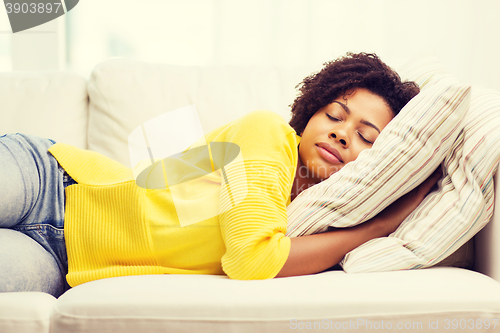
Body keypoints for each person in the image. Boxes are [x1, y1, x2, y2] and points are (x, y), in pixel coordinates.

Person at [0, 52, 438, 298]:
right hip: (52, 183)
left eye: (365, 136)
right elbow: (251, 259)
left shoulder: (312, 215)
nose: (342, 134)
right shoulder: (266, 135)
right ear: (309, 114)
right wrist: (379, 226)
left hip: (64, 262)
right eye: (334, 115)